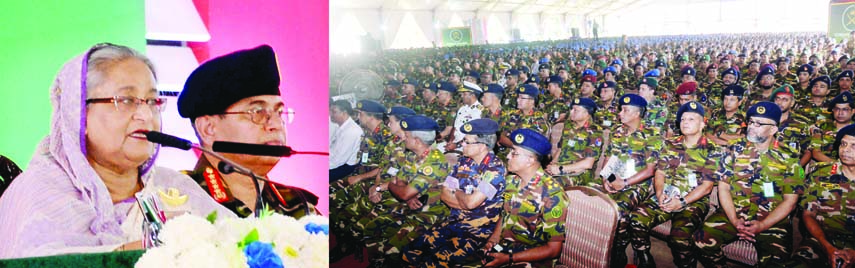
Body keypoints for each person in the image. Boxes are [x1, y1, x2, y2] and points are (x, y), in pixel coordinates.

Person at [0, 43, 235, 258]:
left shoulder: (173, 186)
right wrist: (144, 251)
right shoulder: (40, 190)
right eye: (125, 100)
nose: (145, 115)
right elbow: (39, 261)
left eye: (152, 102)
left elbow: (238, 245)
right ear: (79, 114)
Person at [177, 45, 319, 218]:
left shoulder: (300, 207)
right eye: (258, 112)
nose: (275, 124)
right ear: (208, 128)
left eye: (279, 112)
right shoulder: (176, 202)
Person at [694, 102, 804, 267]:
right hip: (734, 211)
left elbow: (790, 201)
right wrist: (734, 220)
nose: (752, 127)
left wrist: (762, 225)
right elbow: (723, 188)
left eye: (759, 124)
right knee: (699, 241)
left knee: (776, 262)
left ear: (773, 129)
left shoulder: (789, 157)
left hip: (772, 219)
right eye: (751, 122)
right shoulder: (734, 150)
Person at [403, 118, 506, 267]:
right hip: (452, 222)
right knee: (410, 253)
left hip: (476, 231)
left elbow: (471, 203)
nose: (462, 144)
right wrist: (464, 200)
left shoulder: (495, 170)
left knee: (433, 263)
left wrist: (457, 193)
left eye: (466, 141)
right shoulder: (463, 162)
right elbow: (445, 195)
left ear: (483, 146)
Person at [629, 101, 717, 268]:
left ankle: (686, 264)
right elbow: (660, 172)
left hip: (693, 201)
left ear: (702, 123)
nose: (685, 123)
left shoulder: (713, 150)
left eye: (691, 119)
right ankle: (645, 257)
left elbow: (707, 187)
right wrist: (660, 193)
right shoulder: (670, 144)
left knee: (679, 237)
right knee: (637, 218)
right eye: (683, 119)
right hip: (666, 194)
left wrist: (682, 202)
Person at [483, 128, 568, 268]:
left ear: (530, 160)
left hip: (532, 258)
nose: (508, 156)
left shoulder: (552, 194)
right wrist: (493, 240)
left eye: (514, 153)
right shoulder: (511, 181)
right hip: (506, 248)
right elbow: (505, 215)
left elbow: (553, 249)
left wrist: (508, 258)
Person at [793, 124, 855, 267]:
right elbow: (808, 215)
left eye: (853, 146)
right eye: (843, 144)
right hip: (821, 239)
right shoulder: (821, 174)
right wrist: (828, 247)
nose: (846, 150)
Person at [329, 100, 364, 182]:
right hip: (334, 162)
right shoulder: (342, 127)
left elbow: (338, 160)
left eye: (334, 112)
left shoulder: (351, 131)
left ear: (344, 113)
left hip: (344, 167)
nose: (331, 115)